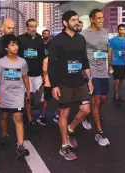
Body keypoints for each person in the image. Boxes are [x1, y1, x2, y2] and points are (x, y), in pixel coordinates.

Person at [48, 10, 93, 160]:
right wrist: (54, 85)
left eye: (77, 20)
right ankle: (64, 146)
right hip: (63, 83)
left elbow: (84, 60)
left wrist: (90, 79)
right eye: (73, 20)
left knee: (86, 110)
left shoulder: (81, 39)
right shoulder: (57, 40)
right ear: (65, 23)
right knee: (64, 113)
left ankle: (71, 129)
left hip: (79, 81)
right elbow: (51, 65)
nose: (77, 22)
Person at [0, 34, 30, 159]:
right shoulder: (0, 62)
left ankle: (20, 146)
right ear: (6, 47)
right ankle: (4, 135)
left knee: (18, 117)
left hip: (18, 94)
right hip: (4, 95)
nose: (15, 47)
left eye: (16, 44)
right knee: (4, 116)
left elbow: (25, 77)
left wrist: (28, 91)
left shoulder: (22, 61)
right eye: (12, 44)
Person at [80, 9, 110, 147]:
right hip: (91, 71)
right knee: (96, 100)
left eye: (102, 18)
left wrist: (109, 64)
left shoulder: (104, 32)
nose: (101, 20)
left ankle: (87, 115)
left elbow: (107, 49)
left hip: (103, 70)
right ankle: (99, 132)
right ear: (92, 19)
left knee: (103, 100)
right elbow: (80, 53)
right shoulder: (84, 34)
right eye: (98, 18)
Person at [18, 18, 46, 126]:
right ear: (27, 27)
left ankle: (27, 111)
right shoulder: (20, 39)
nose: (33, 28)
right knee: (27, 95)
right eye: (31, 26)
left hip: (37, 72)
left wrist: (43, 73)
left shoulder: (40, 39)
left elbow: (42, 56)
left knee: (33, 94)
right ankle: (29, 117)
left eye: (35, 26)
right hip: (25, 73)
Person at [40, 29, 59, 125]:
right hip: (48, 82)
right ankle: (42, 115)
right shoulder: (46, 60)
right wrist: (44, 79)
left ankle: (57, 114)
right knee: (47, 99)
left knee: (57, 99)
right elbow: (44, 72)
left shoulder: (57, 58)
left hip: (56, 82)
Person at [108, 24, 125, 107]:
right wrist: (109, 64)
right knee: (117, 80)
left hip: (123, 62)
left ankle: (118, 94)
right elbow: (109, 52)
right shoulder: (112, 40)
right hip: (115, 63)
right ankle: (116, 95)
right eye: (120, 29)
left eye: (123, 29)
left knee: (121, 80)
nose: (122, 31)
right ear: (118, 30)